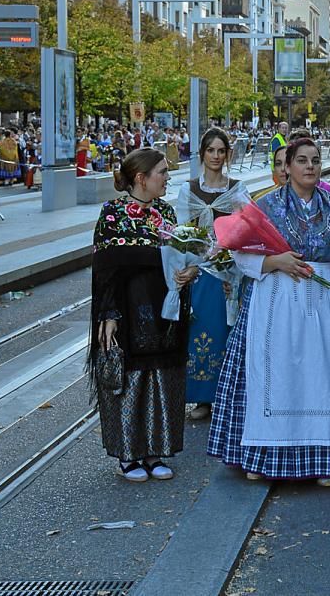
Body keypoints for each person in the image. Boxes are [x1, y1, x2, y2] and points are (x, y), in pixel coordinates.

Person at [208, 138, 330, 484]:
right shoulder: (265, 206)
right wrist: (273, 260)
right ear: (287, 167)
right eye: (302, 160)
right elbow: (240, 255)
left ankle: (326, 453)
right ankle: (262, 453)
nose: (310, 166)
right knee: (276, 376)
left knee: (321, 378)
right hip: (276, 299)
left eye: (315, 160)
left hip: (324, 303)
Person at [90, 148, 194, 482]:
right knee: (129, 378)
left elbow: (179, 256)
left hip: (163, 307)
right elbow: (103, 269)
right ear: (141, 178)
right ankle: (129, 455)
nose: (167, 178)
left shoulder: (166, 211)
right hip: (127, 309)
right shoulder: (112, 213)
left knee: (162, 376)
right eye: (162, 172)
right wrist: (107, 313)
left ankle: (156, 450)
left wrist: (187, 272)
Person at [177, 129, 250, 422]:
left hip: (230, 270)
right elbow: (182, 233)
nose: (216, 157)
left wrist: (226, 253)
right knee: (203, 331)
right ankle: (203, 397)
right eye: (211, 151)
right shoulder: (189, 190)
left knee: (227, 331)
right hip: (201, 271)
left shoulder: (237, 190)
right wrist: (195, 261)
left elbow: (246, 229)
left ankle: (228, 394)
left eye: (221, 151)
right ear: (202, 154)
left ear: (227, 155)